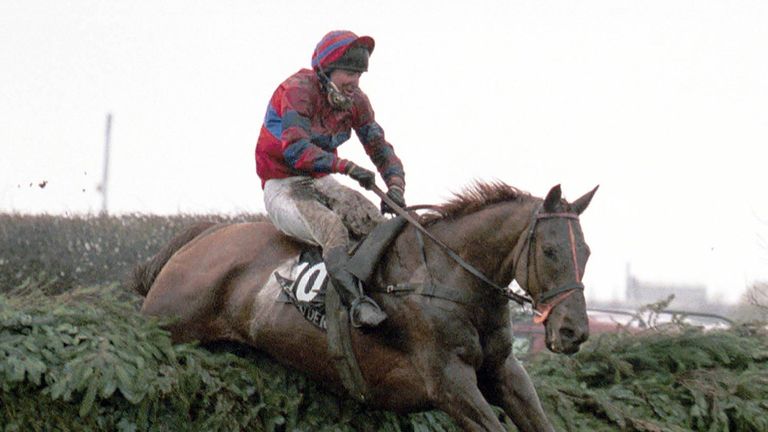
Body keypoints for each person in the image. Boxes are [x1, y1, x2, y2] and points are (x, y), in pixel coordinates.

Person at [255, 30, 406, 328]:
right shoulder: (297, 90)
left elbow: (379, 146)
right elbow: (297, 150)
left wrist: (396, 186)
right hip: (283, 185)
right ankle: (356, 305)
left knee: (374, 222)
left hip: (322, 180)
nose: (355, 82)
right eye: (349, 72)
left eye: (359, 74)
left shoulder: (356, 101)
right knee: (332, 228)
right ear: (325, 70)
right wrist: (346, 166)